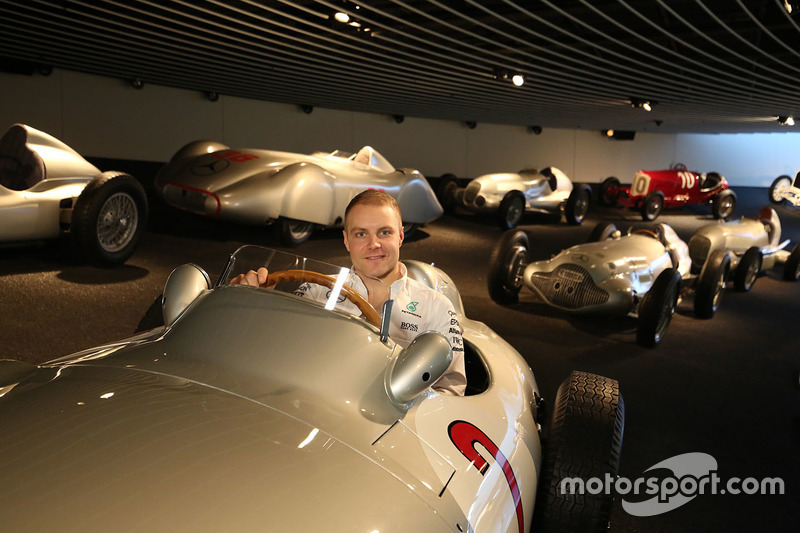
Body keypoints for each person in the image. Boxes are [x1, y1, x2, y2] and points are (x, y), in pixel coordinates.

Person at [232, 189, 466, 396]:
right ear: (346, 240)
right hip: (311, 404)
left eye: (384, 232)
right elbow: (279, 348)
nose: (373, 244)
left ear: (401, 236)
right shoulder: (316, 289)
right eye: (361, 234)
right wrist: (257, 304)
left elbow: (451, 390)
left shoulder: (437, 307)